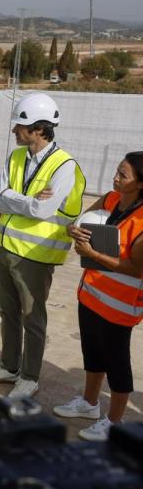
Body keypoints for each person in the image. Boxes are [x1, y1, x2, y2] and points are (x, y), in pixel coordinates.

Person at [0, 93, 86, 399]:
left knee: (32, 317)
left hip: (36, 256)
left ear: (38, 128)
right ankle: (9, 367)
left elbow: (42, 211)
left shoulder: (64, 166)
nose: (14, 132)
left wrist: (12, 198)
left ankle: (30, 376)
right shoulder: (16, 157)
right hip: (6, 247)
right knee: (7, 311)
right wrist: (22, 200)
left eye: (19, 126)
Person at [54, 152, 143, 441]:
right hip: (91, 294)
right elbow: (81, 222)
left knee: (117, 362)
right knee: (92, 353)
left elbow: (136, 269)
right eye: (117, 171)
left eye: (123, 175)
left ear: (141, 184)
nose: (115, 178)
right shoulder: (110, 199)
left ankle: (114, 422)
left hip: (120, 305)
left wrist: (93, 254)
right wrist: (74, 230)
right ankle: (89, 403)